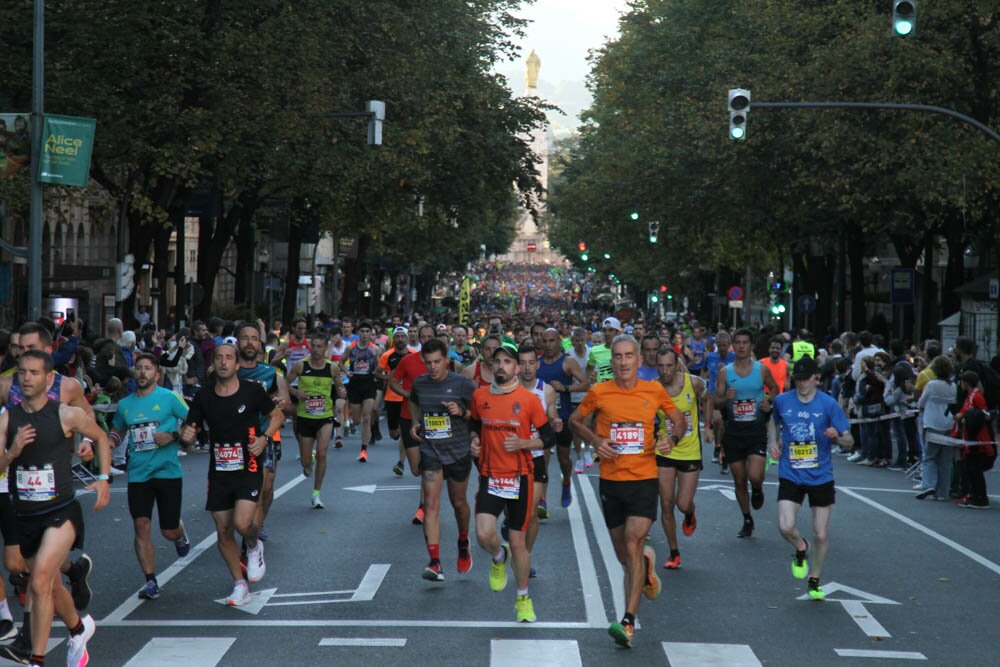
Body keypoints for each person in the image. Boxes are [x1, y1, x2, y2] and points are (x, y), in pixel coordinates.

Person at [569, 334, 685, 648]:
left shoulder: (654, 390)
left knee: (633, 542)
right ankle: (645, 565)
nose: (622, 362)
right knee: (625, 555)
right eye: (618, 357)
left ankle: (628, 622)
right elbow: (574, 420)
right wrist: (596, 442)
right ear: (613, 361)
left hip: (645, 480)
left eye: (628, 356)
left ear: (638, 359)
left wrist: (670, 440)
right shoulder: (599, 392)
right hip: (611, 482)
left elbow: (679, 421)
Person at [0, 350, 111, 667]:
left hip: (61, 511)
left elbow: (101, 437)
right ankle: (78, 628)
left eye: (34, 372)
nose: (27, 378)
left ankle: (36, 659)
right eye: (22, 372)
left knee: (39, 581)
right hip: (26, 515)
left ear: (49, 378)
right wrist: (13, 452)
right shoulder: (8, 419)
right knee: (46, 580)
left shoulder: (65, 414)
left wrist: (103, 479)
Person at [179, 344, 283, 606]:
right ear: (213, 364)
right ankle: (240, 584)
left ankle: (253, 543)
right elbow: (190, 430)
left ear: (237, 364)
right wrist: (186, 436)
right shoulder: (204, 397)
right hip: (220, 470)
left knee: (241, 523)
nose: (224, 362)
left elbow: (277, 415)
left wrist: (264, 438)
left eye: (229, 358)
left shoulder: (252, 391)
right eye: (219, 358)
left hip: (248, 465)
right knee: (223, 529)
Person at [470, 343, 555, 623]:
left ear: (517, 368)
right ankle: (497, 556)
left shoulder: (529, 400)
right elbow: (474, 423)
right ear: (492, 366)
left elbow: (548, 437)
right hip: (491, 475)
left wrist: (524, 442)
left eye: (507, 362)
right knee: (483, 534)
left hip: (520, 478)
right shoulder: (480, 396)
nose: (501, 366)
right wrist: (474, 440)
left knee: (518, 541)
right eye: (497, 362)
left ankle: (523, 598)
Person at [109, 354, 191, 601]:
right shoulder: (125, 405)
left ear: (157, 374)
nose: (142, 372)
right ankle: (150, 581)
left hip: (167, 471)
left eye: (148, 368)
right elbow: (118, 429)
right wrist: (109, 441)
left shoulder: (169, 398)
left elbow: (194, 422)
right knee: (141, 524)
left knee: (168, 531)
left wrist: (174, 436)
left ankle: (179, 532)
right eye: (139, 368)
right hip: (139, 474)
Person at [770, 357, 852, 601]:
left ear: (816, 377)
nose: (802, 383)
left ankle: (815, 580)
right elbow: (773, 423)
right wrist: (773, 442)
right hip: (791, 473)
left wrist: (837, 436)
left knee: (821, 533)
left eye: (806, 378)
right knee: (785, 526)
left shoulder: (828, 405)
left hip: (820, 475)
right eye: (798, 379)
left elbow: (850, 440)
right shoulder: (782, 401)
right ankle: (800, 547)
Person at [407, 339, 476, 582]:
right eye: (428, 363)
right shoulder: (420, 383)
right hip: (431, 450)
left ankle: (463, 540)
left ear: (447, 360)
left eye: (437, 362)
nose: (433, 367)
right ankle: (435, 562)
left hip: (457, 452)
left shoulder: (462, 384)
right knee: (431, 505)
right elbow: (413, 400)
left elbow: (478, 414)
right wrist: (416, 422)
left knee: (458, 504)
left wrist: (462, 412)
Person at [714, 328, 779, 538]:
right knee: (739, 480)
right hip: (733, 432)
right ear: (734, 346)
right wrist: (727, 398)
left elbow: (775, 388)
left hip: (755, 431)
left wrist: (768, 401)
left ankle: (758, 489)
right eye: (738, 343)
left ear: (751, 346)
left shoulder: (761, 370)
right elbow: (716, 401)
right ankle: (747, 519)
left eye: (745, 343)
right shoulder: (726, 372)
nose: (741, 346)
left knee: (755, 476)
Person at [236, 323, 293, 538]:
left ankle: (256, 527)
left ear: (260, 344)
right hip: (233, 439)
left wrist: (278, 403)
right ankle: (247, 525)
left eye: (254, 338)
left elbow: (286, 405)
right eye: (245, 338)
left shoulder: (271, 374)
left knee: (265, 489)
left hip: (265, 435)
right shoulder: (228, 371)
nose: (250, 343)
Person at [655, 347, 711, 570]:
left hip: (689, 450)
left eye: (669, 365)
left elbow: (709, 398)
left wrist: (708, 425)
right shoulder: (653, 389)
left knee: (682, 503)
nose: (665, 370)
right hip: (665, 451)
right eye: (661, 366)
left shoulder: (693, 383)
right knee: (666, 503)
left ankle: (690, 513)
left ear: (677, 364)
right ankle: (674, 552)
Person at [285, 332, 344, 509]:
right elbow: (284, 383)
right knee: (306, 462)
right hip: (305, 417)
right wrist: (296, 393)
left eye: (319, 347)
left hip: (325, 416)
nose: (316, 350)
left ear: (325, 348)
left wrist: (342, 392)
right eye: (314, 346)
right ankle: (307, 460)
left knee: (323, 453)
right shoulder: (300, 365)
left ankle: (316, 494)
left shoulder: (332, 368)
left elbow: (340, 387)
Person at [536, 329, 589, 511]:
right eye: (545, 341)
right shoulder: (537, 363)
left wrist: (566, 388)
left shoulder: (567, 361)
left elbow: (586, 383)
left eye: (552, 341)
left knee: (564, 459)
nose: (548, 344)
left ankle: (566, 481)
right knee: (541, 461)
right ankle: (542, 500)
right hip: (542, 419)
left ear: (559, 341)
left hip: (563, 417)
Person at [389, 325, 437, 524]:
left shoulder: (440, 362)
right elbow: (392, 381)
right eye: (422, 336)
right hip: (408, 417)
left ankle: (424, 507)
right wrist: (407, 394)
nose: (425, 340)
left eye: (429, 337)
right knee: (416, 469)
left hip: (434, 420)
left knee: (428, 467)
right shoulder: (408, 360)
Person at [916, 356, 957, 501]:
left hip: (932, 422)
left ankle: (929, 484)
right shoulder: (953, 386)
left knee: (930, 456)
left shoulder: (932, 385)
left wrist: (920, 407)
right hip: (949, 423)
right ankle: (943, 491)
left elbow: (921, 402)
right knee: (946, 460)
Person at [951, 371, 995, 509]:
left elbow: (985, 416)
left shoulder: (976, 396)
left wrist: (967, 418)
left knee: (974, 469)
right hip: (970, 436)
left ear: (966, 383)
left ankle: (980, 498)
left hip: (978, 438)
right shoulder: (971, 396)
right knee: (970, 468)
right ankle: (973, 495)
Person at [344, 322, 381, 463]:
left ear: (370, 333)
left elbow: (379, 366)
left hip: (369, 384)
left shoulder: (374, 349)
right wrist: (347, 372)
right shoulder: (351, 347)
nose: (365, 334)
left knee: (366, 417)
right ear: (358, 332)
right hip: (354, 384)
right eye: (362, 331)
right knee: (357, 420)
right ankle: (361, 425)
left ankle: (364, 450)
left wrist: (375, 371)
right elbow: (341, 362)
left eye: (367, 331)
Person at [378, 327, 412, 476]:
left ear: (407, 338)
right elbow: (377, 373)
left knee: (405, 432)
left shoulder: (414, 356)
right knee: (394, 433)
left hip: (407, 398)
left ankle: (401, 463)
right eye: (397, 336)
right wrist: (391, 378)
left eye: (402, 336)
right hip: (392, 397)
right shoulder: (387, 355)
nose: (400, 339)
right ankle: (395, 432)